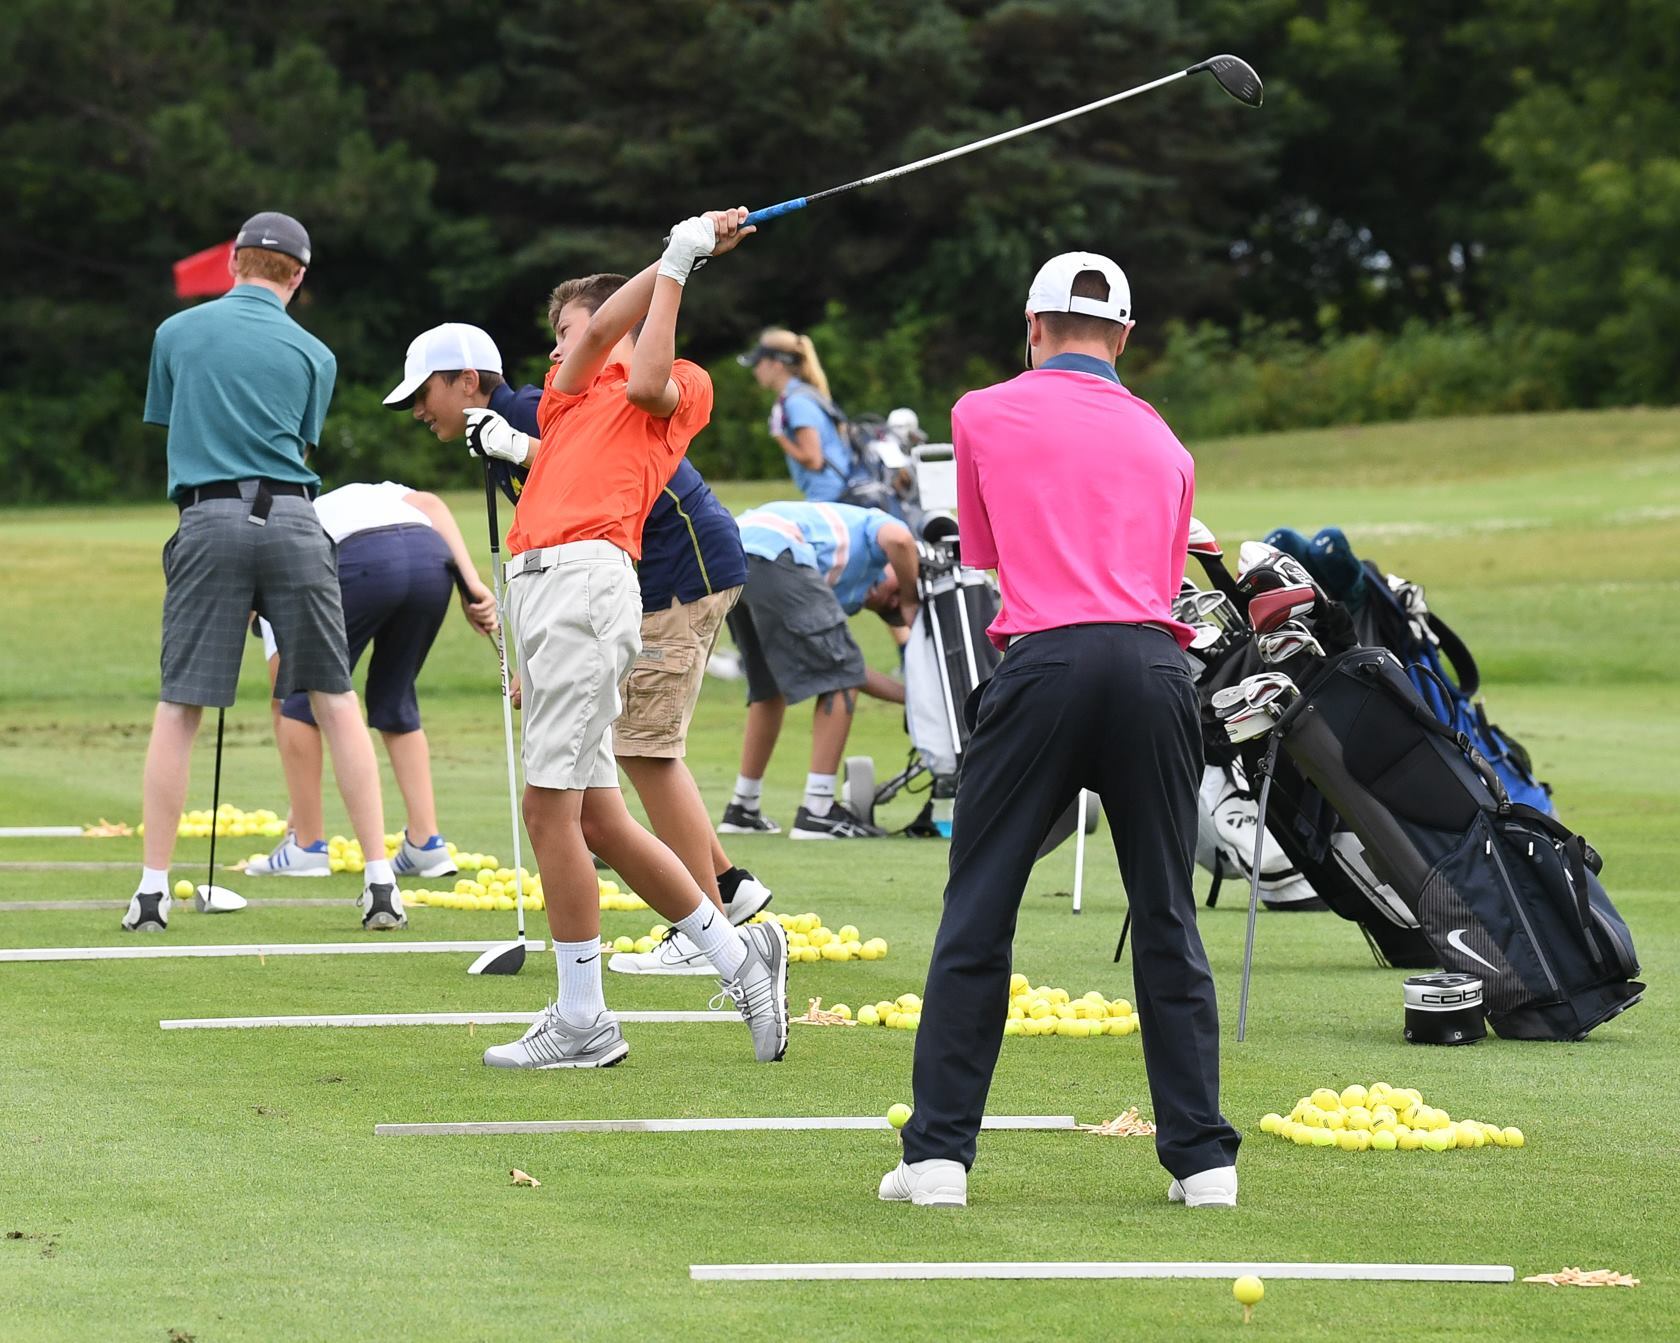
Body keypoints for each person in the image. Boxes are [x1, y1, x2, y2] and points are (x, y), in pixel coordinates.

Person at [879, 253, 1242, 1209]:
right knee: (1166, 909)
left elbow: (992, 554)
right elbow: (1162, 580)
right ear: (1125, 339)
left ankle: (939, 1159)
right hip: (1155, 671)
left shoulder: (978, 411)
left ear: (1030, 327)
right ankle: (1204, 1163)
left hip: (1044, 663)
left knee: (981, 905)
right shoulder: (1166, 439)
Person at [472, 207, 789, 1069]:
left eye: (569, 330)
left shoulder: (677, 381)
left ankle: (583, 1018)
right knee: (601, 817)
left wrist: (682, 265)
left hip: (586, 583)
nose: (556, 351)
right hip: (541, 587)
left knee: (551, 809)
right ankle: (737, 953)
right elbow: (606, 329)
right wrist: (676, 253)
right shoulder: (566, 397)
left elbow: (644, 370)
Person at [395, 320, 775, 971]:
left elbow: (581, 468)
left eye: (423, 392)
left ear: (466, 382)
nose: (418, 410)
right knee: (632, 740)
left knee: (644, 748)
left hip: (682, 566)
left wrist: (514, 445)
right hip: (645, 577)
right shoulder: (506, 428)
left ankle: (708, 928)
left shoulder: (524, 413)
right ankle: (730, 886)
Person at [131, 211, 401, 934]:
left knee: (181, 705)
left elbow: (173, 420)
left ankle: (152, 890)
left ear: (233, 263)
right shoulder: (315, 353)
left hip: (209, 516)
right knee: (335, 696)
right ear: (299, 277)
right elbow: (298, 446)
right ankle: (380, 882)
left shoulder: (175, 333)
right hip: (294, 521)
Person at [245, 479, 498, 879]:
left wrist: (300, 808)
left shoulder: (271, 552)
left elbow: (285, 694)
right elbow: (431, 503)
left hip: (361, 560)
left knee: (299, 698)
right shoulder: (367, 493)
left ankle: (307, 845)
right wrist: (472, 586)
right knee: (395, 696)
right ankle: (426, 844)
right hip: (430, 558)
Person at [718, 501, 919, 840]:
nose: (894, 598)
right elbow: (900, 540)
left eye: (890, 607)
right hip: (774, 546)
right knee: (840, 678)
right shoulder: (873, 527)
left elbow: (847, 667)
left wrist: (913, 698)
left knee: (769, 688)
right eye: (896, 590)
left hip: (731, 552)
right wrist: (913, 598)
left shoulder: (845, 592)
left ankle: (743, 808)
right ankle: (819, 811)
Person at [739, 328, 864, 502]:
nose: (755, 371)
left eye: (758, 363)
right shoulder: (802, 394)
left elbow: (813, 460)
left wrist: (779, 436)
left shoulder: (797, 402)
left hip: (829, 497)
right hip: (832, 494)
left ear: (776, 364)